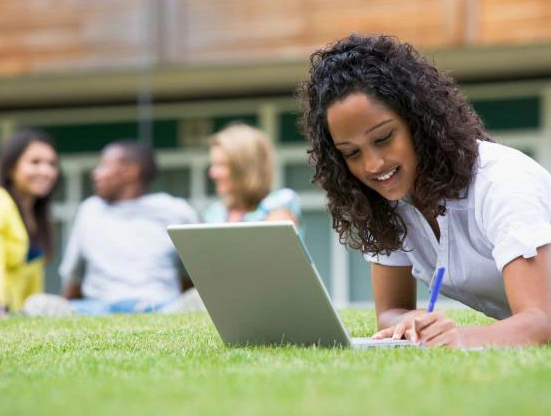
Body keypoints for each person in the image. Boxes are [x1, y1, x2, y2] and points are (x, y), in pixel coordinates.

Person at [299, 34, 551, 348]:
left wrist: (460, 337)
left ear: (418, 121)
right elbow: (391, 312)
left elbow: (541, 322)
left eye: (383, 138)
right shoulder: (388, 200)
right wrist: (410, 322)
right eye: (352, 153)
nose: (373, 164)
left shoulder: (503, 182)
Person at [25, 140, 201, 315]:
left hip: (160, 306)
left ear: (130, 172)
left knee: (198, 300)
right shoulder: (90, 210)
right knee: (37, 304)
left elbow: (196, 274)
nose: (95, 173)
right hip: (97, 308)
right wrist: (60, 308)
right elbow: (75, 280)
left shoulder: (175, 210)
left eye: (103, 166)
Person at [0, 129, 60, 315]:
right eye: (35, 162)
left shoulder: (38, 217)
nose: (46, 171)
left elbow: (33, 288)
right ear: (11, 168)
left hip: (11, 310)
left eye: (51, 164)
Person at [203, 123, 301, 226]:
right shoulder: (214, 213)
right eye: (213, 164)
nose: (212, 173)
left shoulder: (279, 203)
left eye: (222, 165)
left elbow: (274, 239)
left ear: (245, 168)